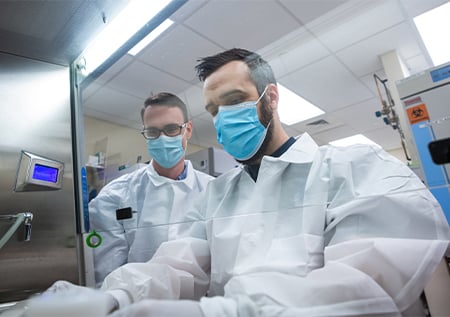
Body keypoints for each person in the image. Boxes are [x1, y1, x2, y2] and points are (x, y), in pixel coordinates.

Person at [37, 49, 449, 317]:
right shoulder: (219, 193)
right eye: (213, 110)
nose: (221, 118)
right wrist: (115, 297)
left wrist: (217, 313)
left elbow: (362, 290)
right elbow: (178, 264)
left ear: (270, 98)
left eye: (233, 101)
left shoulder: (355, 167)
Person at [88, 92, 214, 285]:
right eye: (153, 132)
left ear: (187, 130)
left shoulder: (214, 190)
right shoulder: (114, 197)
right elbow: (108, 276)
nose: (162, 138)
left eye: (171, 129)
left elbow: (223, 262)